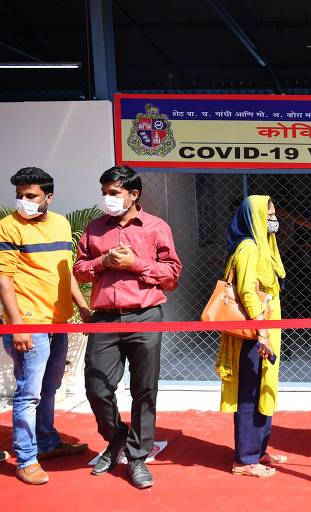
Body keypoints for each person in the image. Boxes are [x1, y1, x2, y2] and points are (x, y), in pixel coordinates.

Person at [73, 166, 182, 489]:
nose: (107, 198)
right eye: (104, 192)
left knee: (144, 389)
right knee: (97, 387)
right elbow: (79, 270)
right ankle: (116, 435)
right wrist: (103, 262)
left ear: (133, 195)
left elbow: (172, 275)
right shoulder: (94, 229)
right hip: (104, 318)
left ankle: (137, 457)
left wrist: (135, 263)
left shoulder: (156, 228)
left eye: (113, 193)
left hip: (145, 315)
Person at [0, 167, 90, 484]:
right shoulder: (8, 227)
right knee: (29, 394)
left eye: (30, 196)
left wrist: (81, 306)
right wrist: (17, 325)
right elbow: (4, 278)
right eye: (19, 196)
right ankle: (25, 458)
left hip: (59, 323)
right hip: (29, 325)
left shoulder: (62, 224)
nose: (22, 201)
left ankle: (48, 443)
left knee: (50, 389)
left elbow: (65, 273)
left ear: (48, 197)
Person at [215, 195, 287, 478]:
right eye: (267, 215)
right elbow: (247, 292)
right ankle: (244, 459)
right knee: (250, 393)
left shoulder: (264, 246)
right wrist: (262, 333)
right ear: (254, 218)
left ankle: (259, 450)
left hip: (264, 332)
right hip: (253, 335)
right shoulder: (248, 248)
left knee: (263, 388)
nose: (273, 220)